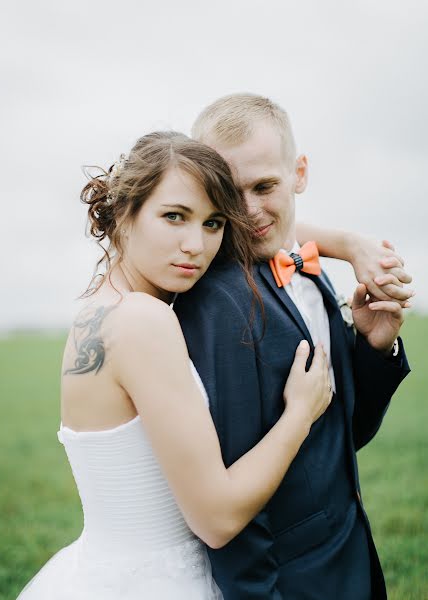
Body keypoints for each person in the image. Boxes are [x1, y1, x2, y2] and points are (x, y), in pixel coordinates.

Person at [17, 130, 409, 600]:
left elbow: (267, 233)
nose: (195, 246)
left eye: (213, 223)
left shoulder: (107, 306)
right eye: (174, 217)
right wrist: (299, 415)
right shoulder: (145, 320)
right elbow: (218, 520)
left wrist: (347, 244)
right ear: (125, 214)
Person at [174, 94, 412, 600]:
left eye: (265, 186)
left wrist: (374, 347)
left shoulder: (310, 268)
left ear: (299, 173)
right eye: (230, 192)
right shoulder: (218, 305)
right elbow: (232, 508)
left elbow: (343, 437)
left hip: (347, 557)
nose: (250, 210)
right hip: (293, 581)